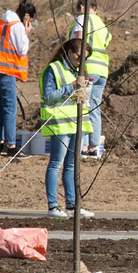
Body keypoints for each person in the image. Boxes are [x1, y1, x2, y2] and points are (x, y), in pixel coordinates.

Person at [39, 37, 94, 218]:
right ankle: (53, 206)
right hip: (60, 124)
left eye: (85, 58)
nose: (81, 61)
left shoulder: (78, 70)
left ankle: (72, 205)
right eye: (79, 56)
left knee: (71, 165)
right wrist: (71, 87)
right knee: (56, 164)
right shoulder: (53, 69)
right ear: (68, 52)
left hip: (77, 124)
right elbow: (48, 96)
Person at [0, 0, 34, 157]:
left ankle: (0, 143)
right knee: (10, 107)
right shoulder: (17, 26)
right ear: (26, 16)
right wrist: (26, 34)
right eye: (31, 19)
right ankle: (11, 146)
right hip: (6, 69)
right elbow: (22, 50)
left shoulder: (0, 22)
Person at [69, 0, 112, 156]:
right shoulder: (102, 24)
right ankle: (94, 147)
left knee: (82, 105)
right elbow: (106, 42)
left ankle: (83, 146)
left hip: (88, 68)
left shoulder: (82, 18)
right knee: (94, 107)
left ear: (82, 7)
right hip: (102, 70)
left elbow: (78, 41)